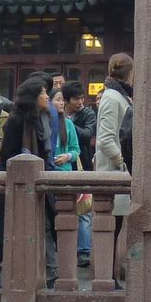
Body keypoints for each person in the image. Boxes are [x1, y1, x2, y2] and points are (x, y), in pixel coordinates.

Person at [0, 73, 62, 283]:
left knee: (46, 226)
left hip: (43, 179)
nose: (47, 96)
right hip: (20, 184)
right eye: (43, 92)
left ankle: (50, 271)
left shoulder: (46, 117)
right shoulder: (17, 121)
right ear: (32, 96)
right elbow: (7, 155)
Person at [95, 54, 135, 232]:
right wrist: (122, 161)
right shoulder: (112, 97)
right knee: (111, 230)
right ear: (130, 73)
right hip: (113, 171)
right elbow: (105, 138)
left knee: (116, 228)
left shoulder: (119, 95)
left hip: (118, 171)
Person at [60, 81, 94, 267]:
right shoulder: (57, 112)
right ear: (66, 100)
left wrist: (69, 124)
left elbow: (88, 134)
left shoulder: (87, 113)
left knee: (84, 210)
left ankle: (84, 251)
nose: (80, 101)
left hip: (83, 165)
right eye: (76, 98)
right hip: (60, 166)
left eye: (82, 98)